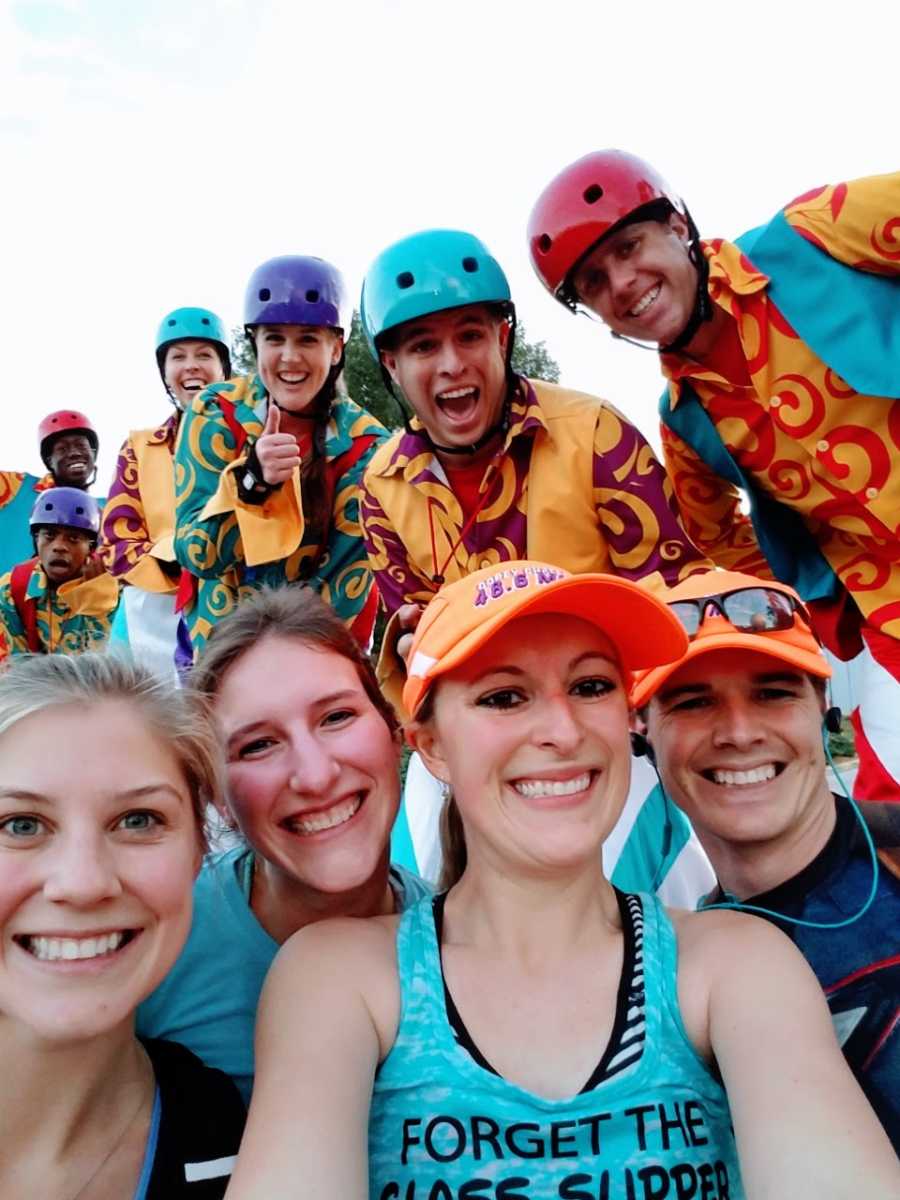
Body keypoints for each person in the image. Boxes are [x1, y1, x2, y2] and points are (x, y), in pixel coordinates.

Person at [225, 562, 898, 1198]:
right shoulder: (338, 978)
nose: (562, 728)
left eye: (590, 686)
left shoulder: (735, 962)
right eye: (505, 696)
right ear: (429, 745)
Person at [528, 153, 900, 802]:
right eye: (593, 281)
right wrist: (799, 602)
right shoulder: (683, 424)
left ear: (677, 225)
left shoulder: (815, 234)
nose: (621, 281)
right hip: (889, 618)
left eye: (629, 246)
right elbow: (717, 549)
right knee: (884, 824)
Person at [359, 230, 714, 902]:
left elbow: (675, 600)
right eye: (423, 346)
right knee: (413, 888)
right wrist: (414, 643)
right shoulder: (380, 484)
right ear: (392, 367)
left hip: (603, 722)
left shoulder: (595, 434)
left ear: (503, 338)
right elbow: (411, 632)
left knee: (644, 898)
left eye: (470, 335)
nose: (452, 365)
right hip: (477, 731)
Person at [631, 569, 900, 1149]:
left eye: (773, 692)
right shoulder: (676, 964)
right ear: (643, 729)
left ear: (822, 705)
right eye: (693, 701)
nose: (739, 731)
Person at [137, 586, 430, 1102]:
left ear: (393, 732)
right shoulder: (156, 949)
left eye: (336, 717)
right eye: (259, 745)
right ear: (218, 796)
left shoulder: (464, 942)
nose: (315, 777)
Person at [0, 652, 245, 1197]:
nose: (84, 882)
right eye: (20, 824)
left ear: (198, 853)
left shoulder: (228, 1144)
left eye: (138, 821)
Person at [173, 257, 388, 659]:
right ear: (254, 343)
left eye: (308, 339)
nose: (289, 357)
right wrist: (253, 482)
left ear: (337, 347)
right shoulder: (215, 412)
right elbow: (197, 554)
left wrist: (278, 666)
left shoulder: (369, 446)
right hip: (218, 646)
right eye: (274, 338)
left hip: (319, 650)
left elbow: (343, 589)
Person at [100, 307, 231, 677]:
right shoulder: (139, 448)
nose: (191, 366)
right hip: (152, 614)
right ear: (165, 374)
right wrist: (175, 555)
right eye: (178, 357)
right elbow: (116, 543)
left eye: (204, 355)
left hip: (235, 604)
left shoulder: (251, 442)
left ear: (224, 370)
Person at [0, 487, 119, 658]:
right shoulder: (12, 588)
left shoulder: (116, 592)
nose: (59, 547)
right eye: (49, 535)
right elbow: (16, 665)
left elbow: (109, 662)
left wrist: (98, 603)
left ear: (91, 547)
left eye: (74, 538)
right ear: (36, 539)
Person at [0, 409, 102, 576]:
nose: (75, 453)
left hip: (78, 600)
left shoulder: (109, 510)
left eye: (81, 446)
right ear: (49, 461)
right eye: (62, 449)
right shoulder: (15, 487)